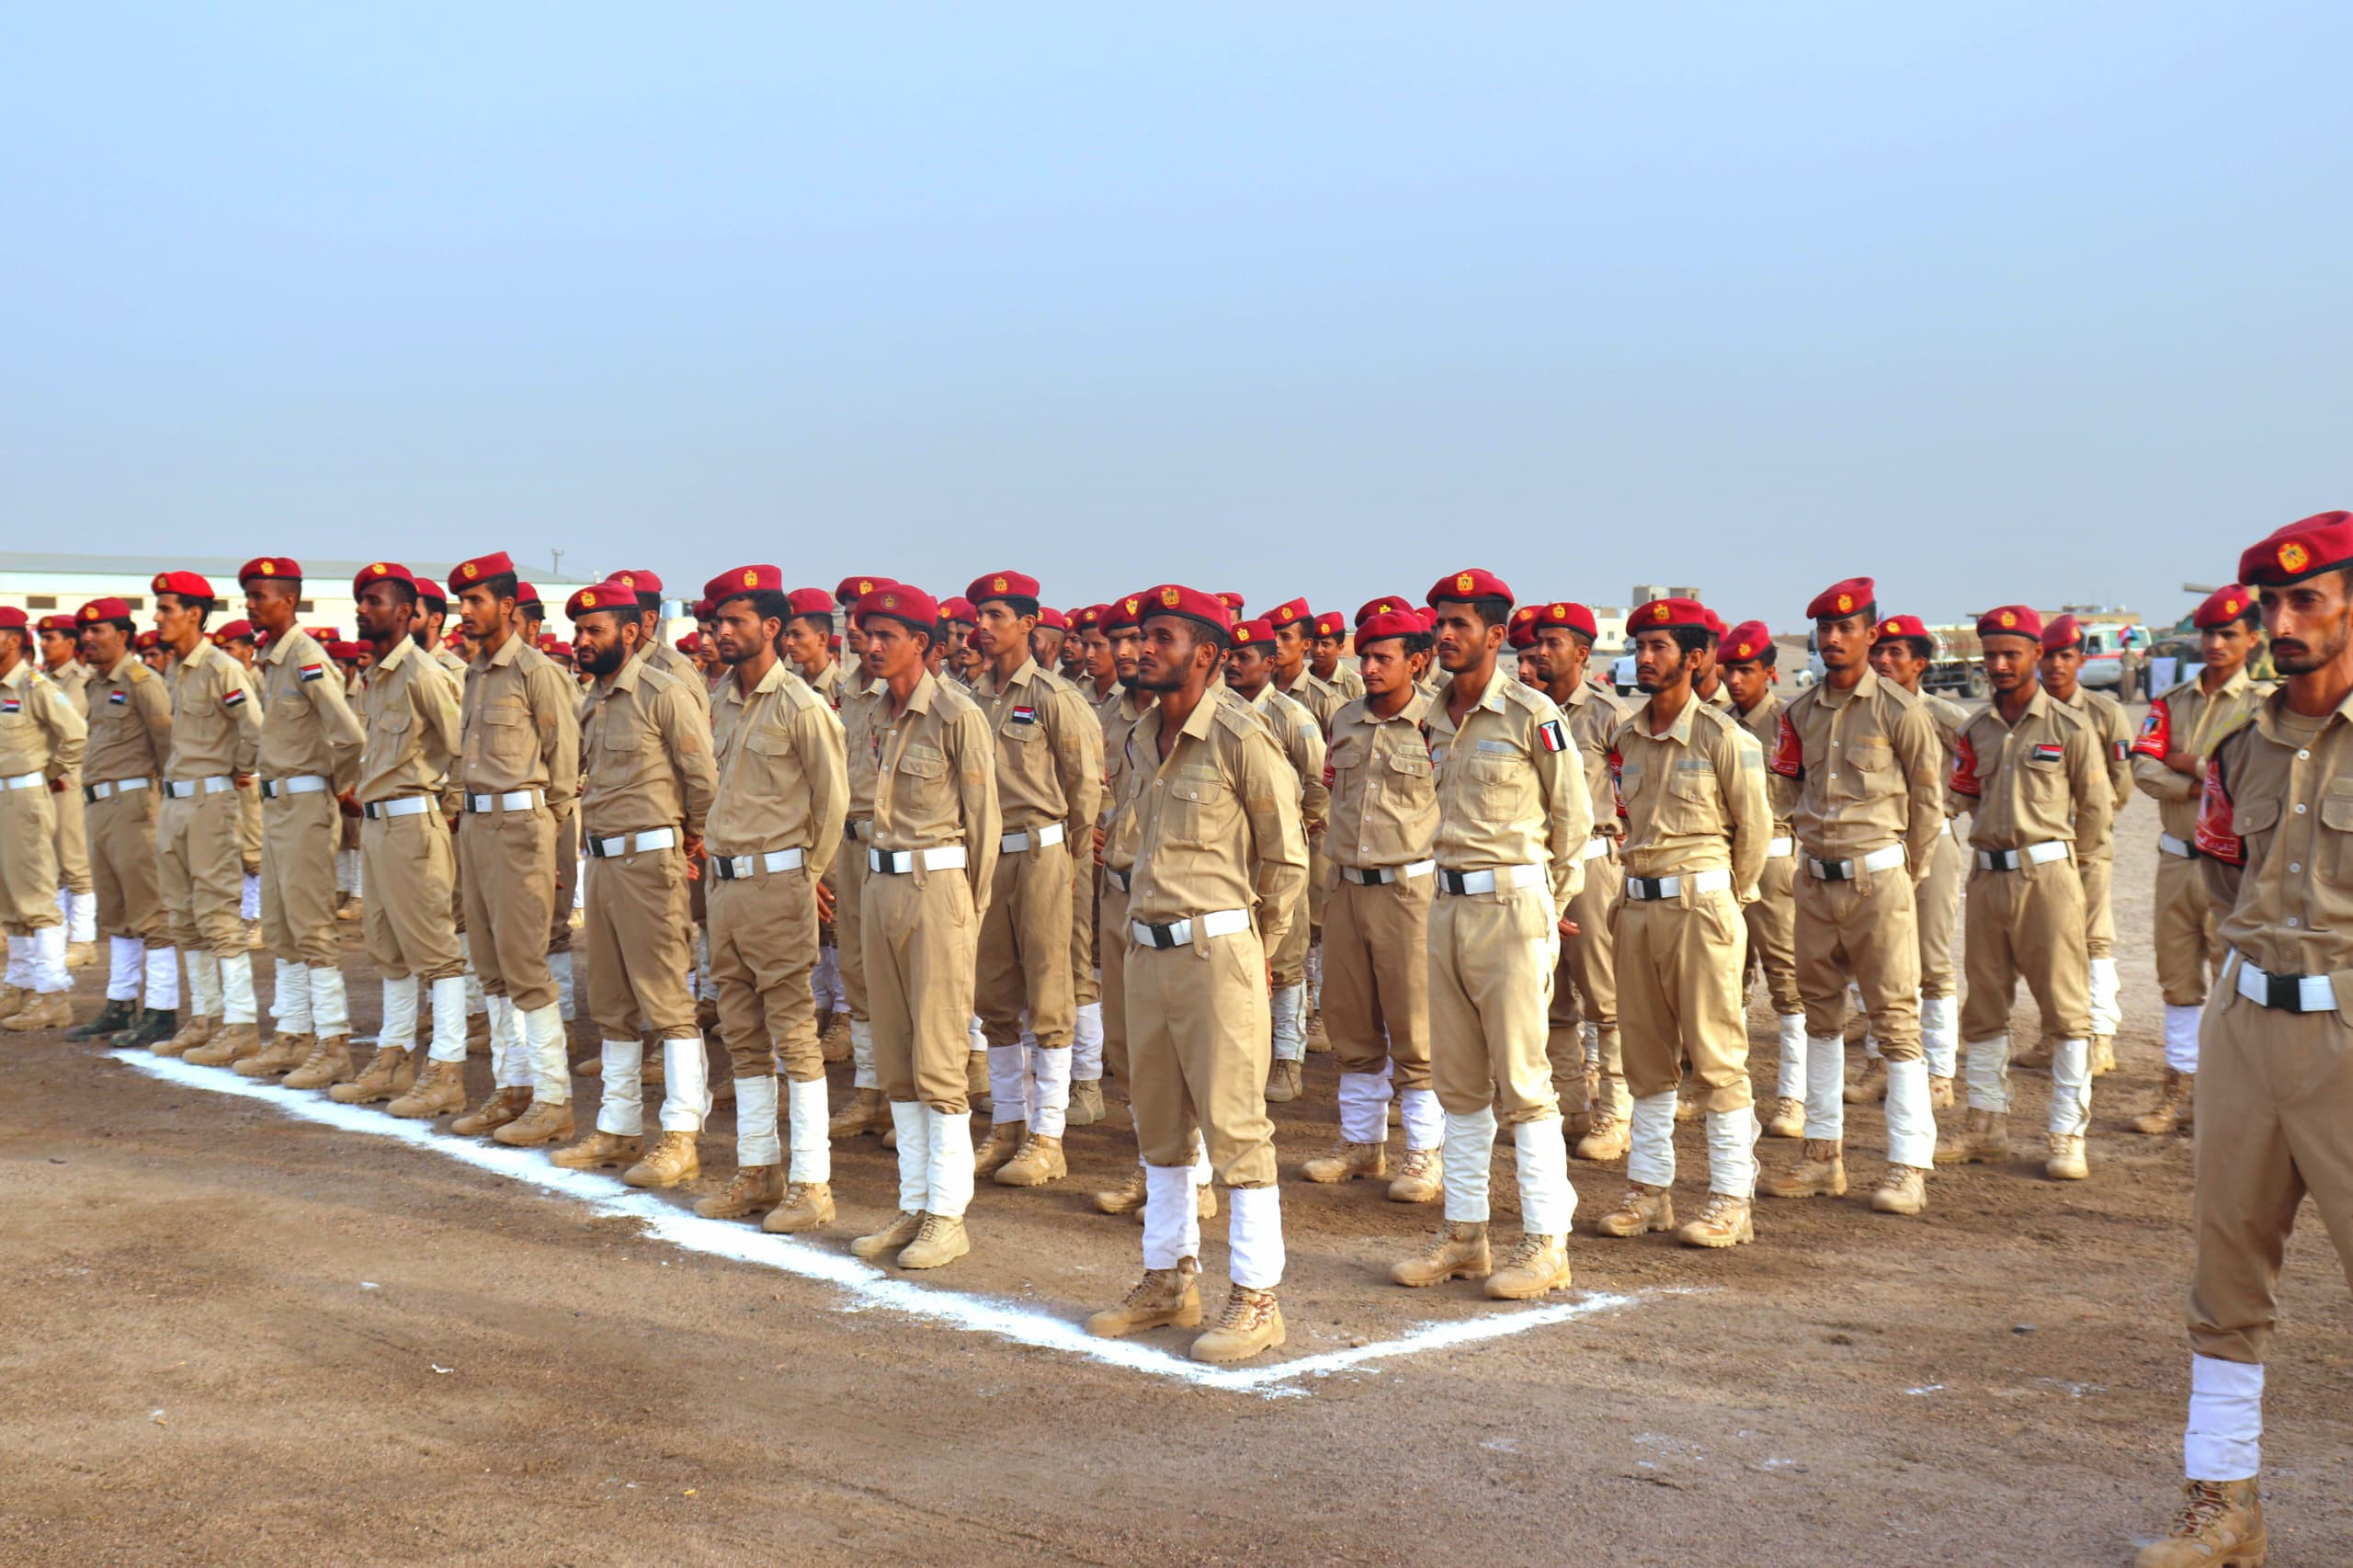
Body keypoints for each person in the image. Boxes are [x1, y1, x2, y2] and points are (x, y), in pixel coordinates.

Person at [2130, 510, 2353, 1567]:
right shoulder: (2238, 747)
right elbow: (2224, 878)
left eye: (2305, 599)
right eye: (2271, 603)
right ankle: (2222, 1504)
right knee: (2225, 1276)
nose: (2281, 621)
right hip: (2245, 1025)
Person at [1085, 585, 1304, 1363]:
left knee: (1236, 1129)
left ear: (1206, 655)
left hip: (1217, 953)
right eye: (1141, 636)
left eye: (1162, 638)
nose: (1141, 649)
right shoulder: (1141, 735)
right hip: (1146, 950)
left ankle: (1257, 1298)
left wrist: (1258, 953)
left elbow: (1286, 859)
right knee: (1159, 1124)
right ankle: (1167, 1278)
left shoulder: (1242, 737)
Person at [1388, 570, 1592, 1295]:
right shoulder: (1433, 716)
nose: (1444, 635)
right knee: (1459, 1082)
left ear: (1496, 636)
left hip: (1511, 910)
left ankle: (1546, 1243)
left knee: (1525, 1084)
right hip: (1446, 906)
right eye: (1440, 622)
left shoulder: (1533, 714)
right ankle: (1465, 1235)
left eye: (1460, 624)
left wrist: (1543, 905)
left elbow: (1572, 821)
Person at [1592, 597, 1771, 1249]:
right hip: (1638, 906)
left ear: (1695, 659)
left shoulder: (1725, 739)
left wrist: (1726, 903)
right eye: (1639, 646)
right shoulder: (1627, 736)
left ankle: (1730, 1198)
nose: (1643, 657)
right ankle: (1649, 1191)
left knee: (1717, 1058)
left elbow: (1754, 832)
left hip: (1701, 909)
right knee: (1645, 1056)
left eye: (1658, 647)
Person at [1761, 582, 1945, 1215]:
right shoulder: (1800, 713)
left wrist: (1905, 876)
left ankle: (1907, 1165)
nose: (1833, 639)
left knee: (1895, 1021)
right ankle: (1822, 1157)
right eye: (1825, 629)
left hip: (1879, 881)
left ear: (1872, 634)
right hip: (1814, 882)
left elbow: (1928, 805)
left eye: (1846, 628)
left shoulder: (1900, 711)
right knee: (1821, 1017)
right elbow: (1784, 790)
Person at [543, 577, 718, 1186]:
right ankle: (617, 1128)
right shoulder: (592, 700)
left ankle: (681, 1134)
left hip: (650, 862)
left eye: (594, 631)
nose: (582, 641)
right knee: (612, 1002)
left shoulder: (663, 694)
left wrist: (689, 839)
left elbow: (704, 781)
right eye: (578, 631)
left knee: (667, 1001)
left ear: (632, 631)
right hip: (603, 863)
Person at [688, 565, 847, 1231]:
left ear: (773, 628)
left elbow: (833, 800)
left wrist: (806, 874)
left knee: (794, 1035)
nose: (722, 632)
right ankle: (758, 1170)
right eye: (718, 622)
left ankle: (811, 1182)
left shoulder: (801, 706)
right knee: (742, 1034)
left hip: (778, 884)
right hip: (726, 884)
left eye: (736, 621)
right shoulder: (721, 700)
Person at [846, 585, 998, 1270]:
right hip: (880, 884)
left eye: (887, 635)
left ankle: (947, 1214)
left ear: (923, 645)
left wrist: (966, 913)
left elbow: (984, 826)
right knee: (897, 1052)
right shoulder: (874, 712)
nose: (873, 645)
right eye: (868, 633)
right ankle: (913, 1202)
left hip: (936, 890)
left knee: (938, 1058)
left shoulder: (957, 716)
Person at [1936, 605, 2111, 1181]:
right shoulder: (1975, 730)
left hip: (2049, 880)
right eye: (1991, 655)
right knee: (1984, 1006)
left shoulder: (2071, 729)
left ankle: (2067, 1133)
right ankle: (1986, 1126)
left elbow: (2096, 817)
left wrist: (2077, 887)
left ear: (2037, 654)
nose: (2000, 665)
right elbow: (1960, 795)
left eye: (2012, 654)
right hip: (1987, 879)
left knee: (2066, 1009)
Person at [961, 572, 1102, 1188]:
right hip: (986, 858)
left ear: (1027, 624)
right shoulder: (969, 697)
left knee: (1049, 994)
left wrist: (1070, 862)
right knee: (993, 996)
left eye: (996, 615)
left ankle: (1048, 1137)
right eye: (979, 616)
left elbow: (1084, 787)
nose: (983, 627)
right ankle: (1007, 1125)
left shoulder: (1053, 696)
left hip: (1043, 855)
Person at [1301, 603, 1441, 1202]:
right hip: (1347, 887)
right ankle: (1361, 1143)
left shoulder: (1440, 722)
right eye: (1366, 657)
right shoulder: (1346, 719)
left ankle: (1425, 1152)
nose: (1371, 668)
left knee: (1416, 1027)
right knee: (1350, 1022)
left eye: (1384, 658)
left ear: (1417, 662)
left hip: (1410, 891)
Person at [445, 552, 583, 1146]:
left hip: (521, 828)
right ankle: (513, 1086)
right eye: (462, 601)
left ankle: (553, 1098)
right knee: (492, 965)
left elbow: (563, 763)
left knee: (525, 965)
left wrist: (548, 841)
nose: (465, 611)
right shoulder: (474, 674)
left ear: (507, 606)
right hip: (476, 828)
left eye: (476, 601)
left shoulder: (536, 672)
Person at [2127, 585, 2268, 1137]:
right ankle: (2179, 1088)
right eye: (2209, 632)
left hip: (2234, 866)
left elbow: (2256, 781)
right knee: (2177, 977)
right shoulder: (2171, 702)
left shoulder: (2263, 705)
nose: (2216, 643)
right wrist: (2204, 783)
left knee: (2234, 976)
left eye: (2229, 634)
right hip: (2176, 861)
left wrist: (2189, 763)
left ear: (2252, 640)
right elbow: (2144, 769)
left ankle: (2232, 1094)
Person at [335, 562, 471, 1111]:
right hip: (377, 826)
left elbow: (464, 748)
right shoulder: (376, 676)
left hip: (414, 824)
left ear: (406, 612)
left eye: (373, 601)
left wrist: (449, 810)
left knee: (436, 953)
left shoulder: (423, 673)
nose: (361, 609)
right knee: (387, 949)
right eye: (361, 600)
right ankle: (393, 1061)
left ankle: (447, 1071)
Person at [229, 558, 369, 1087]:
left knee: (311, 926)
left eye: (259, 596)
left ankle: (332, 1043)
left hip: (306, 805)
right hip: (277, 805)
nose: (250, 605)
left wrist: (338, 786)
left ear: (288, 601)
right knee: (280, 924)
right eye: (248, 596)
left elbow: (349, 735)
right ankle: (291, 1035)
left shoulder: (306, 657)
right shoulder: (273, 659)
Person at [1526, 600, 1631, 1157]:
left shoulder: (1607, 715)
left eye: (1554, 644)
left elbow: (1632, 787)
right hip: (1537, 867)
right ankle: (1570, 1108)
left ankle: (1615, 1113)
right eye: (1538, 644)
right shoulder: (1527, 710)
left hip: (1591, 863)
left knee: (1604, 995)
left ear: (1583, 654)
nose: (1541, 653)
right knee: (1549, 997)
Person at [147, 572, 265, 1062]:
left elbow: (254, 728)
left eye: (166, 608)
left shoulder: (221, 667)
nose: (157, 617)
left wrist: (237, 769)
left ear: (193, 614)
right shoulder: (175, 670)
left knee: (217, 913)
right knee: (183, 914)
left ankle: (240, 1023)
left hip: (210, 801)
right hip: (174, 801)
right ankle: (206, 1018)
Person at [62, 598, 178, 1047]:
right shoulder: (95, 685)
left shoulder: (142, 682)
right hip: (99, 805)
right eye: (84, 631)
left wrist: (164, 805)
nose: (88, 638)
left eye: (98, 631)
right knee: (115, 911)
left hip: (135, 805)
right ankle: (121, 1001)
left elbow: (167, 744)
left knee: (151, 909)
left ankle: (161, 1009)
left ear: (123, 636)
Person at [1867, 616, 1969, 1108]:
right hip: (1879, 845)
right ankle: (1879, 1063)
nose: (1883, 661)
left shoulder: (1942, 715)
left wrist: (1952, 806)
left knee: (1932, 960)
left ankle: (1940, 1073)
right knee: (1878, 958)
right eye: (1878, 651)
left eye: (1896, 653)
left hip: (1932, 843)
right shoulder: (1862, 711)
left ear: (1920, 664)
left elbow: (1980, 767)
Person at [1222, 618, 1326, 1102]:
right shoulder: (1218, 711)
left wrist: (1300, 827)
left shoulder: (1290, 716)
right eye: (1230, 656)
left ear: (1268, 663)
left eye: (1244, 658)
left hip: (1278, 853)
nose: (1233, 666)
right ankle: (1251, 1054)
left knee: (1284, 958)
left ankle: (1288, 1058)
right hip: (1231, 857)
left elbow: (1319, 779)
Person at [2033, 613, 2136, 1075]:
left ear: (2081, 660)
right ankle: (2053, 1033)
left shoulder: (2105, 713)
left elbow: (2122, 781)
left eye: (2066, 656)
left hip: (2087, 846)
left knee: (2093, 940)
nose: (2056, 665)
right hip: (2040, 850)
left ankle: (2101, 1038)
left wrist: (2093, 827)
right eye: (2049, 656)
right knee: (2045, 942)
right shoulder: (2026, 710)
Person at [1716, 620, 1808, 1141]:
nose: (1735, 680)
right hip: (1725, 864)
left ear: (1770, 672)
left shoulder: (1789, 723)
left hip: (1775, 864)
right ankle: (1727, 1087)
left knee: (1788, 982)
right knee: (1726, 978)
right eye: (1730, 670)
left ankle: (1793, 1095)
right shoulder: (1718, 724)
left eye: (1746, 670)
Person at [0, 608, 87, 1031]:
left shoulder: (34, 686)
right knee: (10, 899)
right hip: (4, 799)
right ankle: (18, 984)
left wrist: (50, 773)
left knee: (36, 896)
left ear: (13, 640)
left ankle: (52, 994)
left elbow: (75, 734)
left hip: (25, 797)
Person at [34, 615, 95, 969]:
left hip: (66, 779)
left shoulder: (79, 682)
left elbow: (71, 734)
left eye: (51, 638)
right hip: (44, 779)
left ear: (71, 644)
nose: (44, 644)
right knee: (50, 862)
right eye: (42, 638)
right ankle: (58, 934)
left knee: (74, 860)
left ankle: (84, 939)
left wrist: (54, 770)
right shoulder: (41, 679)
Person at [1310, 610, 1365, 702]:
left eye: (1325, 644)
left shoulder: (1354, 684)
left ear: (1340, 648)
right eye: (1314, 644)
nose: (1318, 650)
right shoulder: (1300, 681)